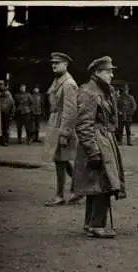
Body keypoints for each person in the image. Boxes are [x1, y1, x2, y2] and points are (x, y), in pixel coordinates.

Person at [72, 56, 126, 238]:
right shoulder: (89, 92)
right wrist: (92, 151)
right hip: (97, 141)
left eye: (112, 71)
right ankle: (97, 225)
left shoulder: (102, 91)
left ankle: (90, 224)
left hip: (103, 138)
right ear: (97, 72)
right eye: (108, 71)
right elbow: (83, 124)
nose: (112, 74)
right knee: (103, 183)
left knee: (96, 183)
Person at [43, 52, 83, 206]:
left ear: (65, 65)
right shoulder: (57, 81)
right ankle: (78, 189)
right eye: (53, 62)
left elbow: (70, 110)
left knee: (60, 160)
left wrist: (65, 133)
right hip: (56, 123)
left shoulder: (69, 84)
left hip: (62, 125)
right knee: (61, 160)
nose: (54, 65)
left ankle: (60, 195)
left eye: (57, 63)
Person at [0, 80, 15, 146]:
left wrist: (12, 115)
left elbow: (12, 105)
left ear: (4, 85)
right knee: (0, 128)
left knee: (6, 128)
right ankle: (1, 140)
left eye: (1, 84)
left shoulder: (8, 94)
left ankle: (6, 141)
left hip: (6, 114)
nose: (0, 85)